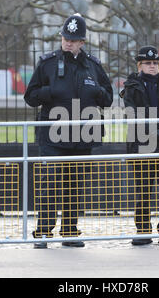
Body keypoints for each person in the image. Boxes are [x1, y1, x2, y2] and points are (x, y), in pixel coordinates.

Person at [24, 13, 113, 248]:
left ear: (82, 42)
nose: (68, 42)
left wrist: (97, 94)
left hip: (82, 136)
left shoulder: (93, 65)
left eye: (73, 40)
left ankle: (70, 231)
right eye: (65, 38)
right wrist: (48, 92)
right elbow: (30, 97)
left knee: (75, 185)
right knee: (50, 183)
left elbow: (109, 97)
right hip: (53, 135)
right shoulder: (48, 63)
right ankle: (43, 232)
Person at [120, 45, 159, 246]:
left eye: (155, 63)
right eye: (147, 63)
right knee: (143, 190)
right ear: (140, 65)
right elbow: (132, 113)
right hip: (142, 145)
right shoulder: (132, 86)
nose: (152, 66)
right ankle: (143, 230)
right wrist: (151, 131)